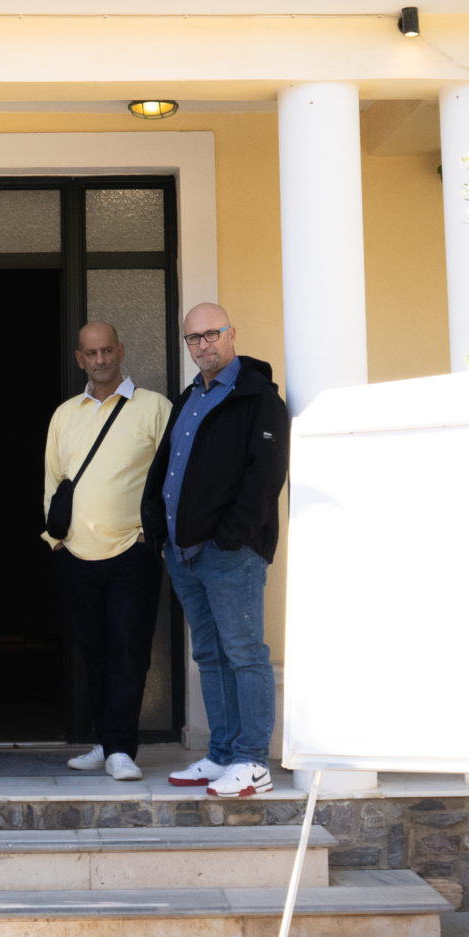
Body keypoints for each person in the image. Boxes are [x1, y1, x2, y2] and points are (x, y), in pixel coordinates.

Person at [141, 303, 288, 799]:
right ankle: (222, 753)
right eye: (193, 338)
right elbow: (167, 468)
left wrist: (232, 536)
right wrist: (160, 532)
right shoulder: (190, 398)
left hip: (229, 552)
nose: (203, 345)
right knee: (209, 653)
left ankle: (252, 762)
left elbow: (264, 478)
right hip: (183, 554)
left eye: (211, 334)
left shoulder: (257, 398)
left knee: (244, 653)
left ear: (231, 334)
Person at [42, 321, 173, 782]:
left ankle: (120, 747)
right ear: (80, 358)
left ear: (120, 351)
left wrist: (153, 537)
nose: (100, 360)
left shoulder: (155, 407)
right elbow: (52, 480)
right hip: (76, 553)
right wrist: (57, 540)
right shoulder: (65, 415)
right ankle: (105, 740)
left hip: (132, 551)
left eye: (107, 352)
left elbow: (171, 479)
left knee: (128, 651)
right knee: (94, 651)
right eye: (90, 354)